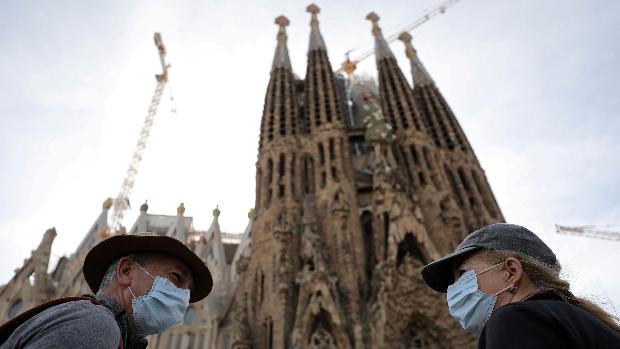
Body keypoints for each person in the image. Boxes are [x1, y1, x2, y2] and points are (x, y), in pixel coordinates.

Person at [421, 223, 620, 348]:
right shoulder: (580, 320)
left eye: (463, 275)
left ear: (511, 271)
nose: (454, 290)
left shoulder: (514, 320)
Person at [0, 232, 213, 348]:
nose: (183, 300)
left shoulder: (95, 322)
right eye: (176, 278)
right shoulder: (97, 326)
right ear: (126, 271)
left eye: (186, 292)